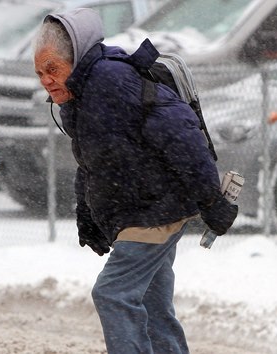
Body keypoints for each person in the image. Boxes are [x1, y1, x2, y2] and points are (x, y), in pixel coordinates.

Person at [32, 8, 238, 354]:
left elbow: (182, 134)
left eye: (52, 68)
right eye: (39, 73)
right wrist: (87, 212)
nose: (46, 80)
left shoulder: (111, 81)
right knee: (152, 306)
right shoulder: (77, 96)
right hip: (141, 209)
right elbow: (93, 162)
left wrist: (211, 200)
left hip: (157, 210)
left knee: (112, 294)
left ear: (77, 57)